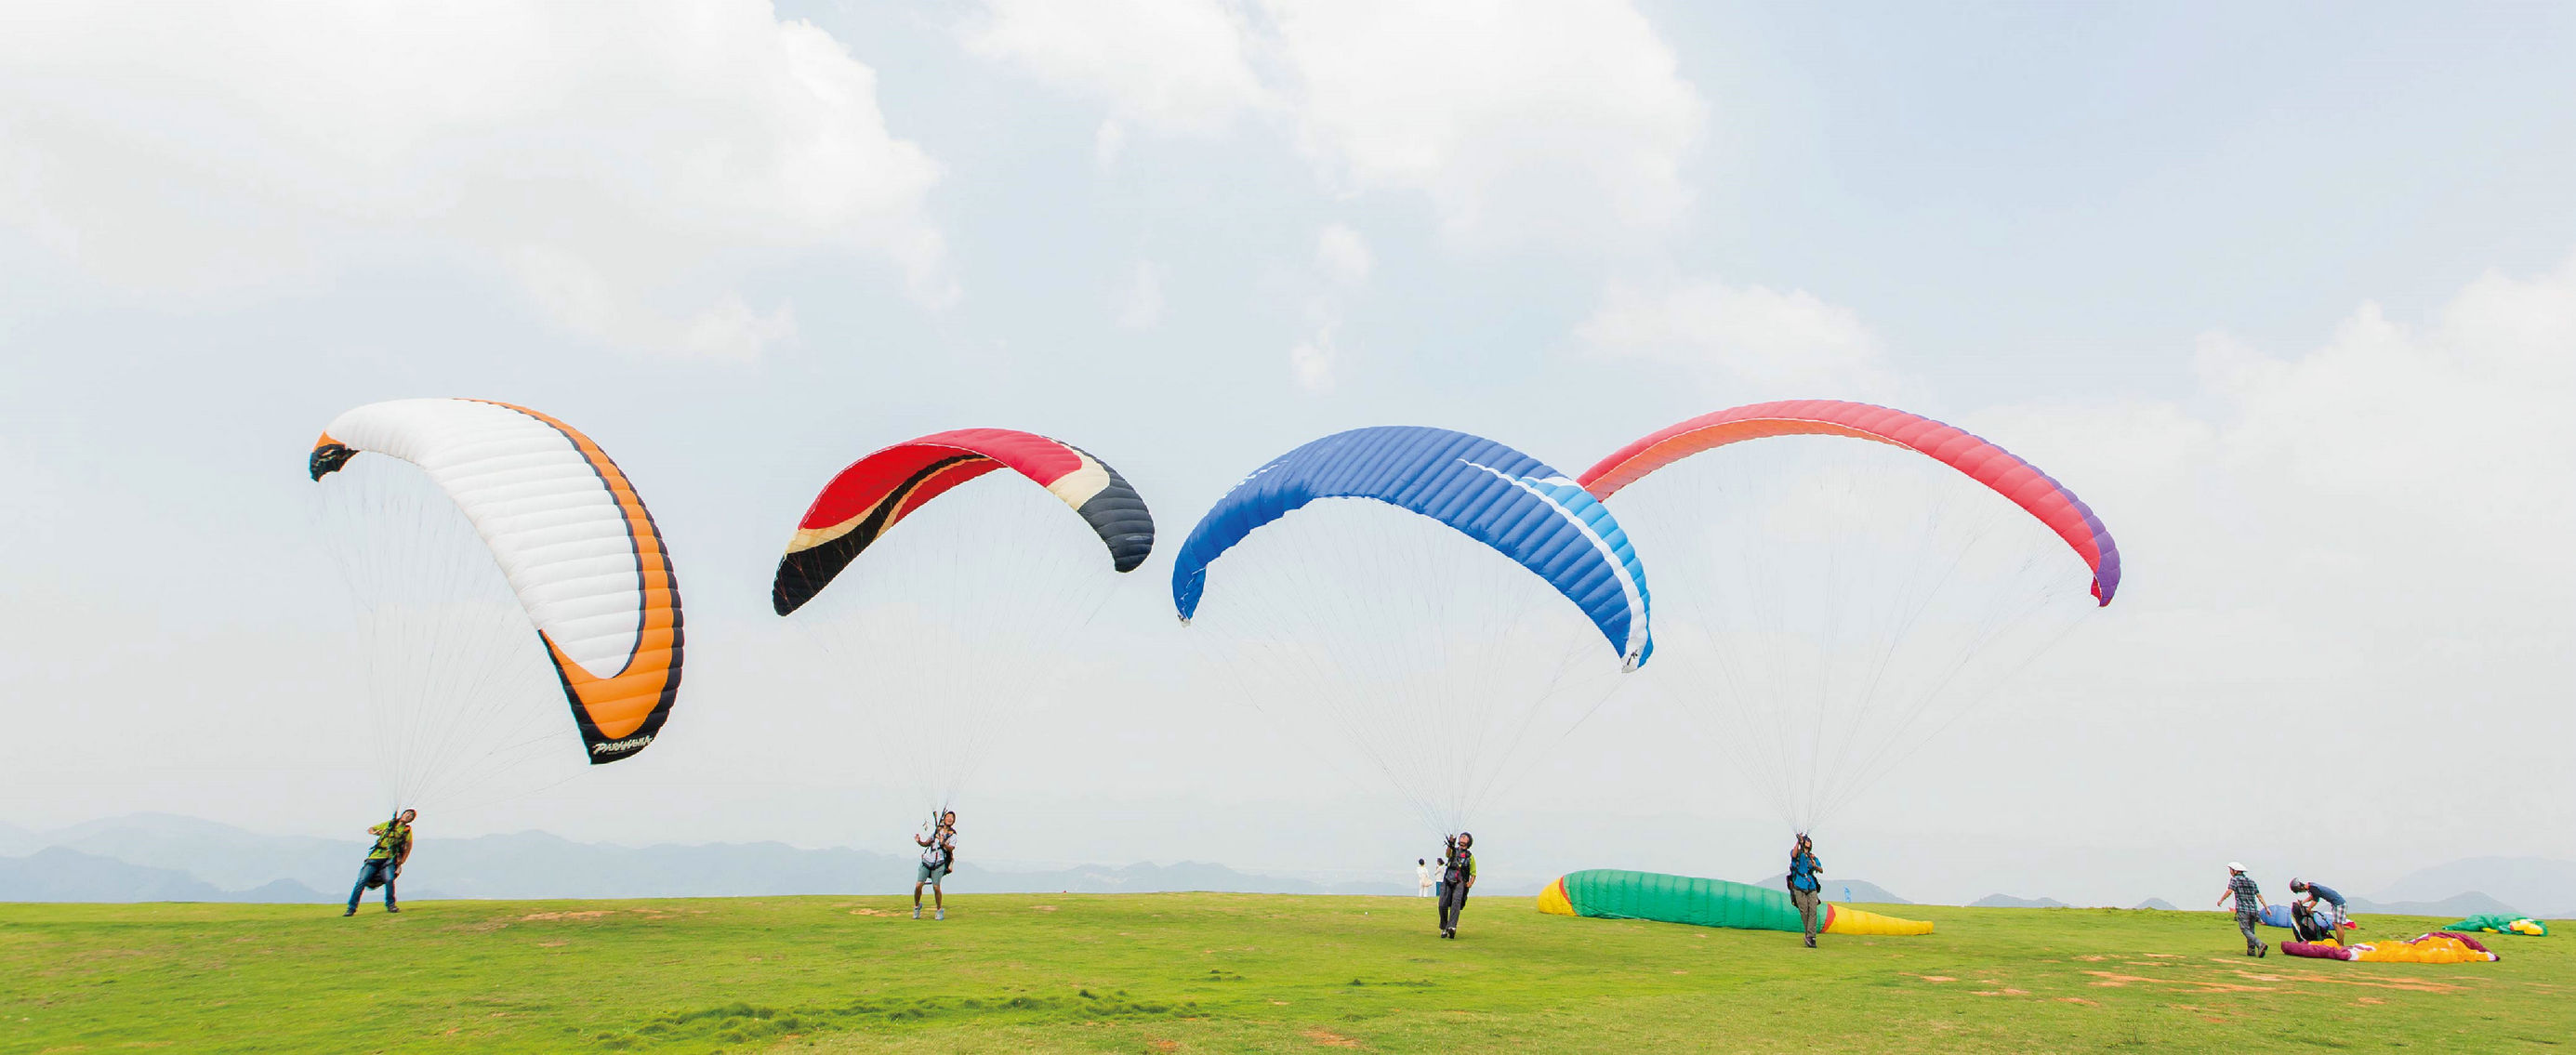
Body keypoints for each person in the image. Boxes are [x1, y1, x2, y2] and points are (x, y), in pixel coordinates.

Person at [343, 809, 415, 917]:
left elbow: (408, 846)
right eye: (407, 814)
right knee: (361, 881)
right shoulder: (389, 824)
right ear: (403, 814)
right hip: (375, 858)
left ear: (411, 820)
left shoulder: (406, 831)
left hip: (389, 859)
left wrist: (402, 862)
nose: (408, 816)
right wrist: (375, 832)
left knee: (389, 879)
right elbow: (371, 829)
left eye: (411, 816)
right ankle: (351, 908)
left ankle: (391, 905)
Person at [2216, 862, 2267, 956]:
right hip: (2253, 909)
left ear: (2235, 871)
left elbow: (2229, 891)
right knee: (2251, 930)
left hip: (2243, 909)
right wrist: (2266, 908)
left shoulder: (2235, 880)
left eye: (2231, 870)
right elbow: (2259, 896)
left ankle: (2259, 944)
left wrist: (2221, 900)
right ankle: (2251, 951)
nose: (2230, 872)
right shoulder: (2251, 881)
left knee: (2245, 929)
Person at [913, 811, 957, 920]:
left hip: (939, 862)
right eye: (948, 816)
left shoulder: (952, 834)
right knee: (918, 885)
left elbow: (951, 848)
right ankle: (917, 907)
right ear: (944, 818)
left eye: (952, 817)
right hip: (927, 860)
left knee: (936, 887)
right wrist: (919, 841)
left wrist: (943, 843)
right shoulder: (937, 831)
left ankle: (939, 910)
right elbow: (927, 843)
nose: (950, 819)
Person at [1786, 834, 1824, 948]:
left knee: (1813, 911)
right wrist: (1798, 841)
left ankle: (1811, 937)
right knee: (1804, 911)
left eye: (1809, 841)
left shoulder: (1812, 857)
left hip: (1811, 886)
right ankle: (1809, 936)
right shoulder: (1798, 854)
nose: (1807, 842)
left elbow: (1821, 869)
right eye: (1806, 841)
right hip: (1798, 886)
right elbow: (1793, 854)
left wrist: (1815, 866)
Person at [1436, 833, 1476, 939]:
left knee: (1456, 903)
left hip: (1460, 881)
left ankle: (1452, 927)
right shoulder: (1453, 850)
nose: (1462, 837)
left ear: (1469, 842)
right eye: (1461, 836)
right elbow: (1448, 854)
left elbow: (1473, 873)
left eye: (1465, 837)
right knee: (1442, 904)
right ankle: (1444, 927)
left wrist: (1470, 883)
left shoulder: (1470, 857)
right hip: (1448, 879)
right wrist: (1450, 844)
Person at [2290, 877, 2354, 940]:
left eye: (2300, 891)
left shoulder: (2313, 888)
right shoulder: (2311, 886)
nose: (2301, 892)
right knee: (2339, 925)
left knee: (2337, 925)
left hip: (2338, 904)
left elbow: (2315, 900)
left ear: (2301, 887)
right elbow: (2313, 896)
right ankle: (2341, 944)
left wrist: (2309, 909)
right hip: (2337, 904)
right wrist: (2302, 902)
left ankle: (2341, 944)